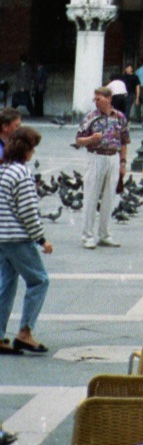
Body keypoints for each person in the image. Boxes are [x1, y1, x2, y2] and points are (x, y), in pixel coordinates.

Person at [0, 126, 51, 357]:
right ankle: (25, 332)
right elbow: (28, 211)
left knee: (6, 285)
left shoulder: (3, 169)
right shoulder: (22, 173)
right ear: (27, 151)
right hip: (17, 237)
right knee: (39, 280)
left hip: (1, 237)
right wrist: (41, 239)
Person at [75, 86, 129, 250]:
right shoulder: (91, 118)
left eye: (99, 98)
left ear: (108, 98)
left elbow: (124, 141)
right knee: (91, 196)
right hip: (95, 157)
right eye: (95, 99)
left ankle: (104, 234)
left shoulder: (120, 117)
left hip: (113, 157)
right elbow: (78, 140)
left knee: (109, 198)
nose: (96, 102)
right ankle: (87, 235)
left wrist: (123, 163)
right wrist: (91, 138)